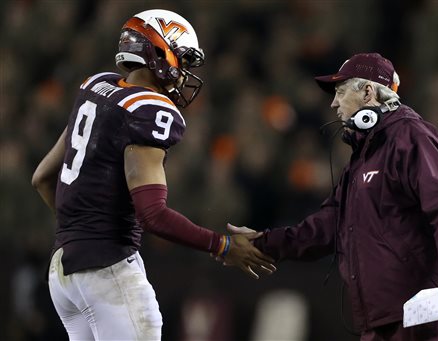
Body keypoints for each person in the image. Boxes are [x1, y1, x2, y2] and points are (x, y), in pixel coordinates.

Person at [31, 9, 275, 341]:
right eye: (184, 60)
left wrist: (81, 234)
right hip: (107, 270)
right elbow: (153, 215)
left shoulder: (97, 87)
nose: (184, 73)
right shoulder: (149, 110)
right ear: (159, 52)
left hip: (64, 273)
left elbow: (42, 177)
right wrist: (222, 245)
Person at [226, 53, 438, 340]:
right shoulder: (362, 157)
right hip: (381, 316)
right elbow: (325, 227)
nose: (333, 103)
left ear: (368, 92)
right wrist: (263, 243)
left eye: (341, 92)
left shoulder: (410, 135)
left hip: (418, 313)